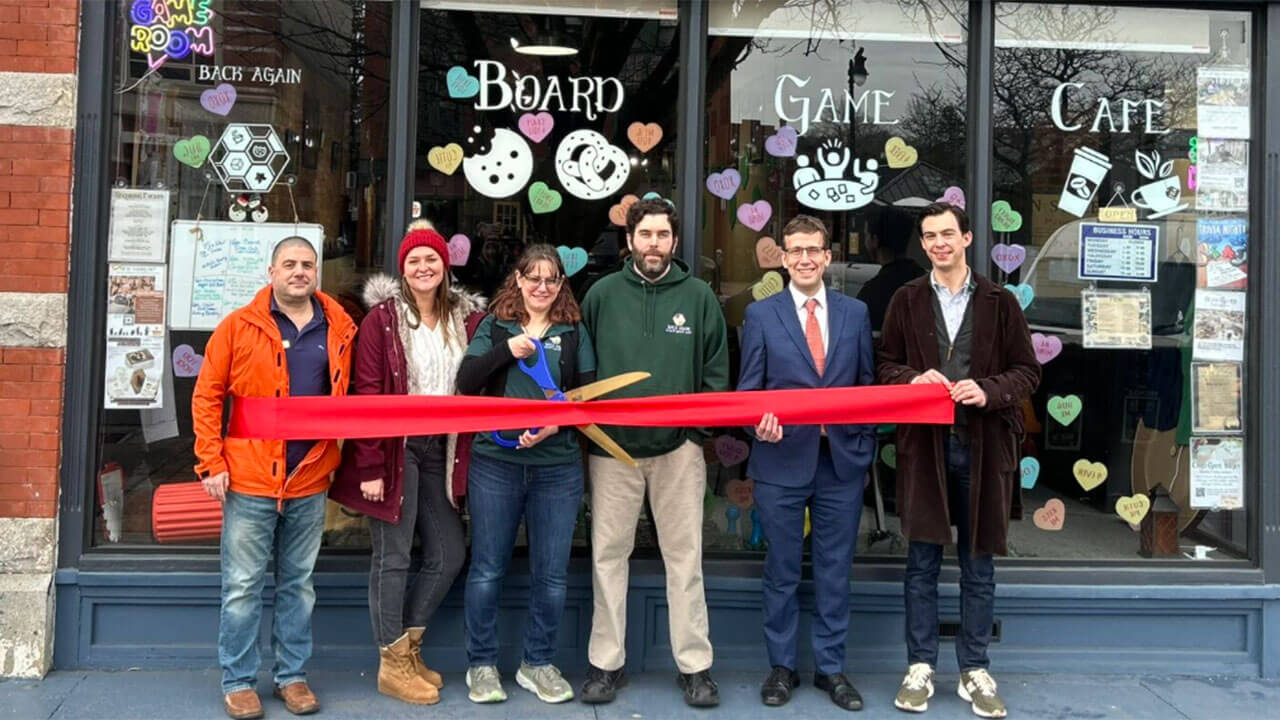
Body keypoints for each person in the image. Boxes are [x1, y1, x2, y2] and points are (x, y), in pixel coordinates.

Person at [876, 203, 1040, 718]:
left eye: (948, 233)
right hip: (924, 447)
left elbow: (1028, 373)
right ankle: (920, 667)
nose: (939, 243)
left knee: (979, 563)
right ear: (922, 244)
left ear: (967, 238)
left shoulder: (1000, 301)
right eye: (929, 236)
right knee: (921, 562)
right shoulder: (905, 300)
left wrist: (987, 390)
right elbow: (883, 365)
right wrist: (911, 379)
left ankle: (974, 669)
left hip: (984, 445)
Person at [192, 236, 356, 720]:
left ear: (316, 273)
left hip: (308, 477)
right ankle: (238, 680)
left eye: (307, 264)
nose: (299, 272)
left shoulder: (340, 326)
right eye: (290, 264)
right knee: (242, 585)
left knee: (299, 584)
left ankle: (292, 676)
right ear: (271, 271)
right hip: (248, 480)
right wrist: (211, 462)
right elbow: (207, 396)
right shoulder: (237, 327)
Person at [578, 198, 729, 707]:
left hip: (676, 451)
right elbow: (585, 367)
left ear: (675, 242)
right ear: (629, 241)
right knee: (607, 557)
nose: (654, 245)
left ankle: (695, 667)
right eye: (646, 235)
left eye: (663, 236)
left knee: (685, 559)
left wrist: (694, 433)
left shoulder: (701, 296)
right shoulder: (600, 294)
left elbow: (715, 373)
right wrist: (593, 431)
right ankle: (606, 664)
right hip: (612, 450)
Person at [329, 224, 485, 705]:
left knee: (449, 553)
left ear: (445, 266)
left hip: (444, 448)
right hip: (395, 448)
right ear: (403, 269)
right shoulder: (382, 320)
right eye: (414, 261)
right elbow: (368, 393)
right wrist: (372, 464)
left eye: (431, 259)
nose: (423, 267)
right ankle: (391, 662)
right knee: (393, 556)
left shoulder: (467, 320)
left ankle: (410, 646)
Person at [738, 214, 876, 711]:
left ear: (827, 256)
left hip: (840, 461)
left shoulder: (855, 314)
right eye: (793, 250)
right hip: (781, 460)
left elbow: (867, 388)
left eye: (812, 250)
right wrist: (759, 425)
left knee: (835, 569)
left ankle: (831, 669)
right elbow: (747, 393)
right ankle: (782, 666)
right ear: (783, 257)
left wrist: (860, 438)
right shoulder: (761, 315)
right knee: (781, 569)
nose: (803, 259)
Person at [454, 244, 596, 705]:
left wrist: (557, 422)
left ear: (561, 285)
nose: (541, 287)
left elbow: (588, 396)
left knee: (551, 575)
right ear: (516, 279)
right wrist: (504, 352)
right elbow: (466, 380)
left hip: (557, 468)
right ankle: (481, 665)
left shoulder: (573, 331)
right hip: (496, 466)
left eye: (550, 279)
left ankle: (538, 663)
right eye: (532, 277)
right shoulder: (495, 326)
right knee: (487, 569)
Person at [858, 207, 926, 331]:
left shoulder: (872, 292)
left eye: (866, 235)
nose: (865, 241)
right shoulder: (925, 281)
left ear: (875, 240)